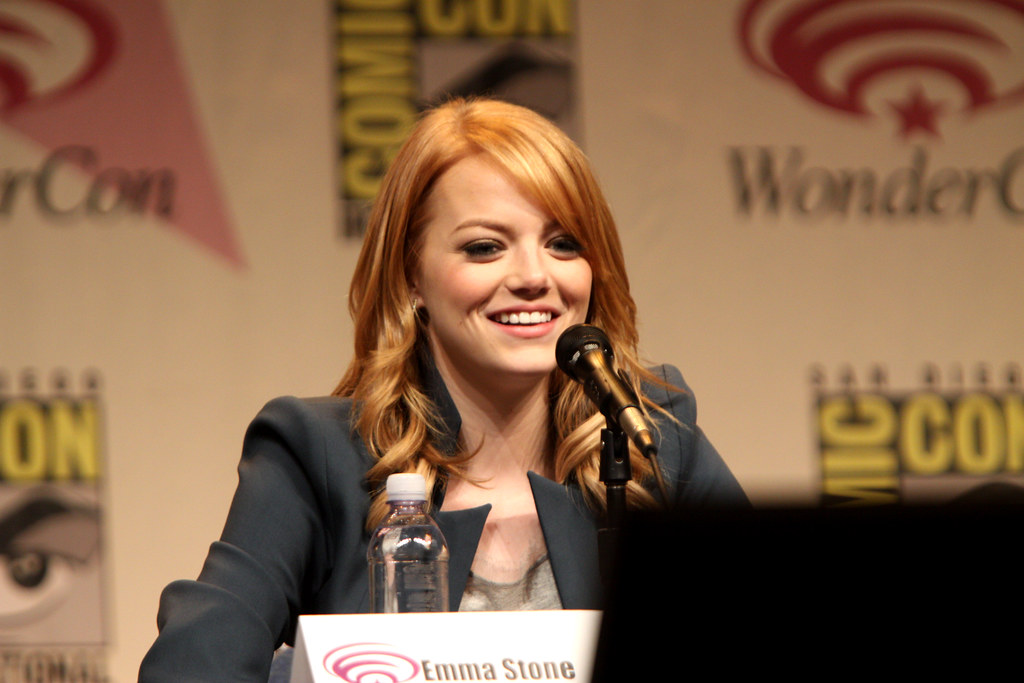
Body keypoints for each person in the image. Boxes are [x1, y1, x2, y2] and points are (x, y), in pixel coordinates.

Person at [138, 97, 748, 681]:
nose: (535, 276)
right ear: (411, 278)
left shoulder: (650, 438)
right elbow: (193, 665)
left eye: (563, 243)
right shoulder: (319, 455)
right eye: (485, 248)